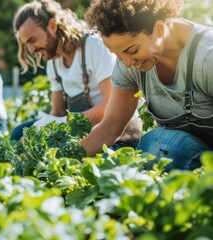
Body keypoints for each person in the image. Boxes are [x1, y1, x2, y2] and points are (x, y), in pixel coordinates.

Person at [83, 0, 213, 170]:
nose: (127, 62)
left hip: (192, 156)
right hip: (182, 152)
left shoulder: (206, 57)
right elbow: (111, 125)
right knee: (157, 143)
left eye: (132, 51)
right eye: (118, 55)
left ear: (159, 29)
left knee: (160, 145)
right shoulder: (128, 64)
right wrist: (65, 159)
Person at [11, 0, 143, 149]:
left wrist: (62, 123)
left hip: (116, 131)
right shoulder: (53, 62)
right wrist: (40, 131)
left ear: (52, 26)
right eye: (26, 44)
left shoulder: (94, 46)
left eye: (33, 40)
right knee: (18, 134)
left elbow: (109, 106)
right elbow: (58, 111)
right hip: (82, 131)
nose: (32, 49)